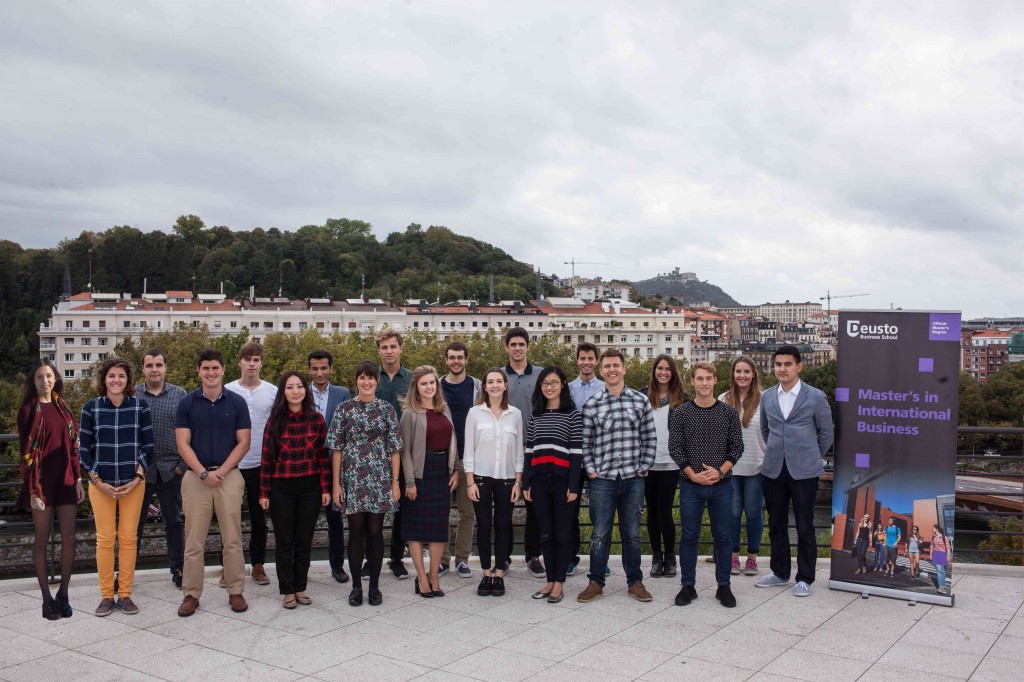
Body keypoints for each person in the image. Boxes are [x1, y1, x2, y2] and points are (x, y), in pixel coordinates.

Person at [175, 348, 252, 617]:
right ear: (199, 371)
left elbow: (244, 442)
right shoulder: (186, 403)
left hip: (228, 476)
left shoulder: (237, 403)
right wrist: (203, 473)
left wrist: (222, 471)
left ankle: (236, 591)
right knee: (193, 541)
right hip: (196, 477)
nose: (210, 373)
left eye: (215, 368)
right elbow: (182, 444)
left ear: (223, 370)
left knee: (232, 538)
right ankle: (191, 594)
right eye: (205, 368)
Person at [577, 349, 656, 604]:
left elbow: (649, 437)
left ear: (625, 369)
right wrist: (591, 470)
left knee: (632, 532)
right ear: (601, 371)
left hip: (634, 477)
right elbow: (584, 443)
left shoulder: (640, 401)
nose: (612, 370)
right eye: (607, 366)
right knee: (600, 532)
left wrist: (644, 467)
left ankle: (635, 582)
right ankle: (595, 582)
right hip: (603, 479)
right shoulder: (592, 404)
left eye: (616, 365)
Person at [755, 345, 834, 598]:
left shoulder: (816, 396)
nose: (782, 369)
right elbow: (766, 431)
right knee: (776, 523)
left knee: (804, 525)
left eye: (787, 364)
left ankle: (805, 577)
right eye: (778, 364)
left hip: (804, 471)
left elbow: (827, 434)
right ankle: (779, 572)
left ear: (799, 366)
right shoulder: (767, 396)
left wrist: (810, 455)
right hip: (774, 469)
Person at [79, 357, 154, 616]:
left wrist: (138, 477)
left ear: (128, 380)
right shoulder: (91, 408)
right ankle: (105, 596)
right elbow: (83, 450)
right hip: (101, 485)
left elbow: (148, 446)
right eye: (111, 375)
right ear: (104, 379)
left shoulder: (140, 407)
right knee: (105, 539)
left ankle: (125, 595)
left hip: (133, 484)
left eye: (121, 376)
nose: (116, 380)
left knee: (129, 539)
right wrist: (97, 481)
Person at [327, 361, 402, 607]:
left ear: (377, 382)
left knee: (375, 532)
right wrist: (336, 484)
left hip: (380, 478)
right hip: (353, 478)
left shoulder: (386, 409)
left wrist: (395, 482)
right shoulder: (344, 409)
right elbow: (336, 448)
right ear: (356, 381)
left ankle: (375, 586)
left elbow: (395, 449)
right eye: (362, 378)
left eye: (370, 378)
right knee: (356, 532)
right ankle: (357, 586)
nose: (366, 382)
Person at [669, 361, 744, 609]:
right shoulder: (681, 413)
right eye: (699, 378)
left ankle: (724, 586)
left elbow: (737, 448)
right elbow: (675, 448)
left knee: (723, 536)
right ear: (693, 381)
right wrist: (693, 475)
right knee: (689, 535)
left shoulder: (729, 413)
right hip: (691, 485)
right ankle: (687, 586)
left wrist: (719, 473)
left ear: (714, 381)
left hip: (721, 485)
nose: (703, 383)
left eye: (708, 379)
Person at [17, 359, 83, 620]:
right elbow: (26, 454)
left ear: (55, 379)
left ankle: (64, 593)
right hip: (41, 483)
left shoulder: (63, 408)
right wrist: (33, 491)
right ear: (33, 382)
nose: (45, 381)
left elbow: (73, 447)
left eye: (49, 376)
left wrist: (78, 479)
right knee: (42, 541)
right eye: (40, 377)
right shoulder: (28, 410)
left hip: (67, 480)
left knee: (70, 538)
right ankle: (46, 600)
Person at [258, 372, 331, 609]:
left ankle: (300, 587)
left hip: (310, 487)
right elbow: (267, 459)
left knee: (304, 540)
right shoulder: (275, 421)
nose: (296, 391)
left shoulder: (317, 419)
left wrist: (325, 488)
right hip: (282, 488)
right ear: (283, 392)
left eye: (299, 386)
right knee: (284, 541)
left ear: (305, 390)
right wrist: (264, 492)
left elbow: (323, 458)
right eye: (290, 387)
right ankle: (287, 590)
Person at [399, 366, 459, 598]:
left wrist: (455, 470)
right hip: (419, 475)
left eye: (432, 382)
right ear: (416, 386)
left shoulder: (445, 409)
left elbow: (453, 441)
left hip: (442, 473)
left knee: (438, 529)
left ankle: (434, 575)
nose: (429, 387)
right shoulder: (409, 413)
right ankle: (421, 577)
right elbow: (404, 451)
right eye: (424, 383)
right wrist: (410, 482)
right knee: (415, 529)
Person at [523, 367, 582, 604]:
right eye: (544, 383)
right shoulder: (536, 415)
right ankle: (549, 580)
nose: (549, 387)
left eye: (554, 383)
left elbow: (577, 453)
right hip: (539, 482)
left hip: (562, 482)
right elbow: (529, 450)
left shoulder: (572, 415)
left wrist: (574, 485)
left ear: (563, 385)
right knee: (545, 534)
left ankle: (559, 583)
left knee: (562, 534)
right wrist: (526, 481)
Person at [465, 368, 524, 597]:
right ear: (484, 386)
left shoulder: (515, 414)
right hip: (480, 477)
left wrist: (518, 482)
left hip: (508, 479)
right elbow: (468, 449)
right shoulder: (474, 413)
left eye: (499, 381)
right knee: (483, 525)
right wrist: (469, 482)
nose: (495, 385)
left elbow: (519, 451)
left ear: (505, 385)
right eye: (490, 381)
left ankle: (499, 574)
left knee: (502, 525)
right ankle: (486, 573)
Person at [224, 342, 277, 587]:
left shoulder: (273, 391)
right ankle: (229, 568)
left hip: (260, 464)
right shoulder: (227, 390)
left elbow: (277, 429)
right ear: (240, 362)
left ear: (261, 363)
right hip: (231, 465)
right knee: (229, 518)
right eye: (248, 360)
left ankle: (257, 565)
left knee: (258, 518)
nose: (252, 364)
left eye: (256, 360)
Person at [134, 348, 187, 589]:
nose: (154, 369)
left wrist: (182, 466)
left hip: (170, 469)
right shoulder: (132, 395)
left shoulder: (180, 395)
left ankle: (178, 569)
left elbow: (190, 432)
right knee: (133, 524)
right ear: (143, 369)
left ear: (165, 367)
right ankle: (125, 573)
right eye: (149, 365)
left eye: (158, 365)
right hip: (140, 471)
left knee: (174, 521)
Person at [308, 349, 352, 584]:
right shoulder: (300, 393)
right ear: (309, 370)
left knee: (335, 519)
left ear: (330, 369)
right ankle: (301, 565)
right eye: (315, 368)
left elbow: (348, 428)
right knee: (305, 518)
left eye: (324, 368)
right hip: (308, 465)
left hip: (335, 464)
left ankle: (337, 566)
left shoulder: (342, 393)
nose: (319, 372)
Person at [719, 355, 766, 577]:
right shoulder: (723, 399)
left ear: (753, 374)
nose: (742, 375)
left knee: (755, 513)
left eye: (746, 371)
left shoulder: (765, 400)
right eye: (738, 371)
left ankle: (752, 558)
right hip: (731, 467)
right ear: (733, 375)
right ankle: (733, 556)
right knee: (733, 513)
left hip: (757, 466)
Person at [503, 327, 544, 576]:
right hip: (505, 451)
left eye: (521, 344)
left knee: (534, 506)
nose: (517, 348)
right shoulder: (497, 376)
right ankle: (505, 556)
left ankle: (533, 555)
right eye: (513, 344)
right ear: (506, 347)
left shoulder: (541, 375)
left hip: (535, 450)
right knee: (506, 506)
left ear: (528, 346)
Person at [439, 341, 481, 579]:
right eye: (452, 357)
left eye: (460, 357)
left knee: (467, 513)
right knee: (441, 511)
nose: (456, 361)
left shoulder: (476, 386)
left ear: (466, 360)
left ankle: (462, 559)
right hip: (441, 458)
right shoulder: (436, 386)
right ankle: (442, 559)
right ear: (446, 360)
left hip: (469, 458)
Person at [643, 354, 687, 578]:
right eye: (660, 368)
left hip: (671, 463)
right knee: (651, 512)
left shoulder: (682, 399)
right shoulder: (643, 396)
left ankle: (670, 557)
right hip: (648, 464)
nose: (663, 372)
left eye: (667, 369)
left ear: (673, 372)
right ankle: (656, 556)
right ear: (654, 371)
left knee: (666, 511)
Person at [375, 329, 413, 579]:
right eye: (384, 347)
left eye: (393, 346)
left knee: (402, 510)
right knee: (374, 510)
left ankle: (397, 558)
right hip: (374, 453)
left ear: (400, 348)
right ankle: (372, 559)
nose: (389, 351)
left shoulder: (411, 379)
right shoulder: (369, 377)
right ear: (379, 350)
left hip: (405, 451)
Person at [567, 342, 603, 577]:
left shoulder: (606, 387)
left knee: (601, 511)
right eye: (582, 358)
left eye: (590, 358)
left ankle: (600, 559)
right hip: (573, 456)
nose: (586, 362)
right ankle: (571, 557)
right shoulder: (567, 389)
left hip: (600, 456)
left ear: (596, 361)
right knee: (570, 509)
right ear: (577, 360)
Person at [930, 525, 950, 594]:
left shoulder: (944, 537)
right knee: (939, 571)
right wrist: (930, 555)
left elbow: (948, 547)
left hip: (943, 554)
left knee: (943, 572)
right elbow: (932, 547)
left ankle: (943, 587)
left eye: (933, 528)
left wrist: (948, 556)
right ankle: (941, 587)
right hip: (936, 554)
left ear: (937, 529)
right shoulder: (933, 537)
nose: (932, 529)